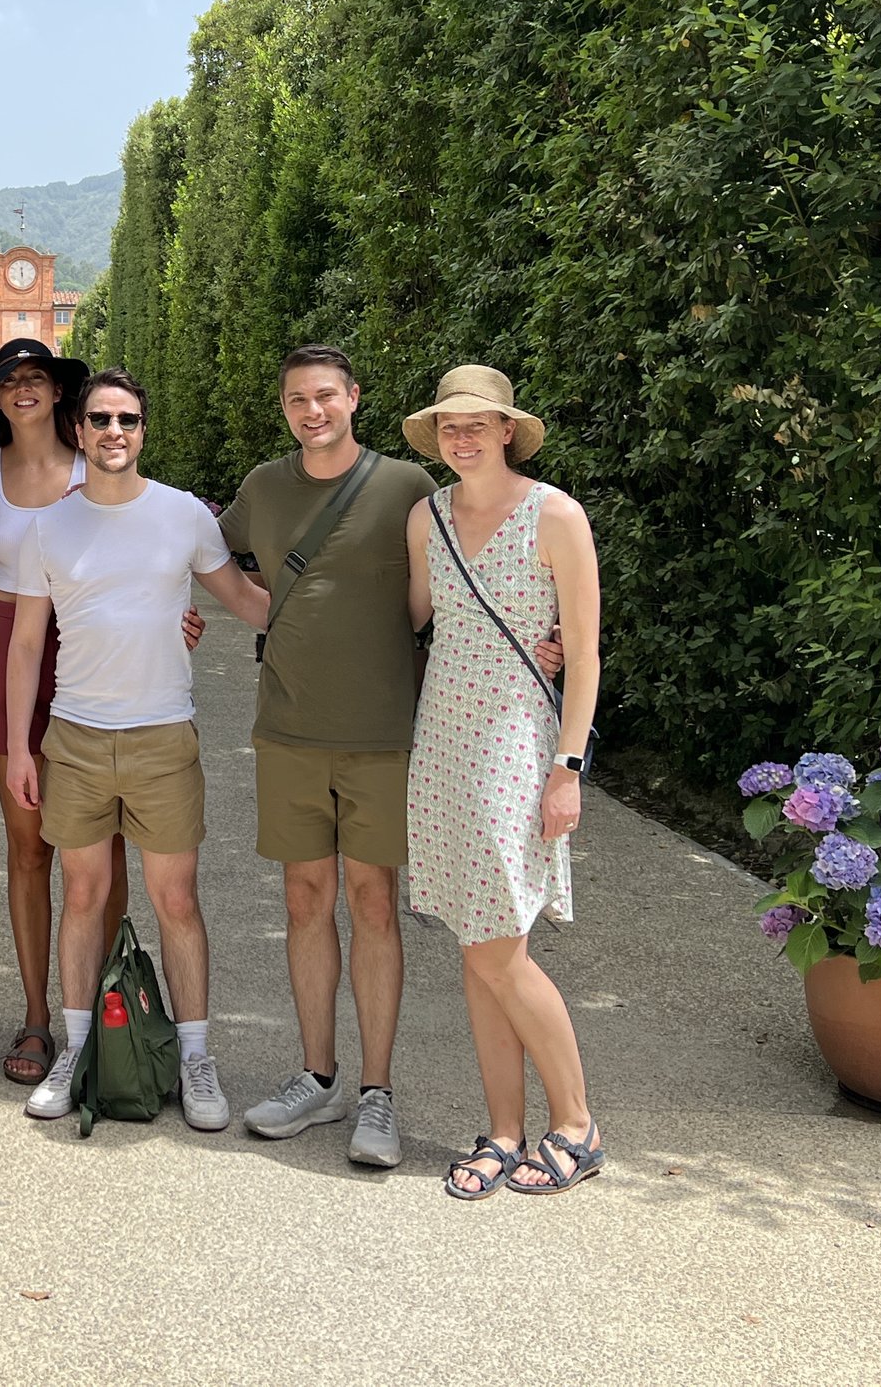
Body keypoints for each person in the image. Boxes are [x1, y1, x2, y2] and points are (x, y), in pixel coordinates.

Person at [3, 370, 272, 1131]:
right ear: (79, 431)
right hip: (77, 735)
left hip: (162, 733)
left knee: (176, 901)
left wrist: (342, 603)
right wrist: (21, 747)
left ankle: (195, 1057)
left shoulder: (183, 514)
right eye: (100, 419)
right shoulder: (47, 527)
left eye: (126, 419)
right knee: (84, 896)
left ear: (143, 430)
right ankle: (76, 1050)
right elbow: (26, 645)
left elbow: (248, 602)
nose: (113, 431)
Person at [222, 345, 436, 1167]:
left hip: (381, 730)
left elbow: (455, 582)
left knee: (374, 903)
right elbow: (199, 551)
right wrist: (233, 610)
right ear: (284, 408)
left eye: (325, 396)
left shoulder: (407, 487)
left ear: (354, 397)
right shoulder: (263, 488)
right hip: (290, 728)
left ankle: (378, 1090)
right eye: (296, 400)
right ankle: (319, 1076)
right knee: (305, 899)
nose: (312, 411)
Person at [402, 366, 605, 1199]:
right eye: (450, 425)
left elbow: (584, 655)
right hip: (442, 743)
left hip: (515, 746)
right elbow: (413, 616)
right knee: (476, 944)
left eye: (478, 423)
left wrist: (567, 769)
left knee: (501, 950)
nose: (462, 438)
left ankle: (578, 1122)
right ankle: (504, 1129)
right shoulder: (426, 516)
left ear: (508, 430)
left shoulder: (556, 514)